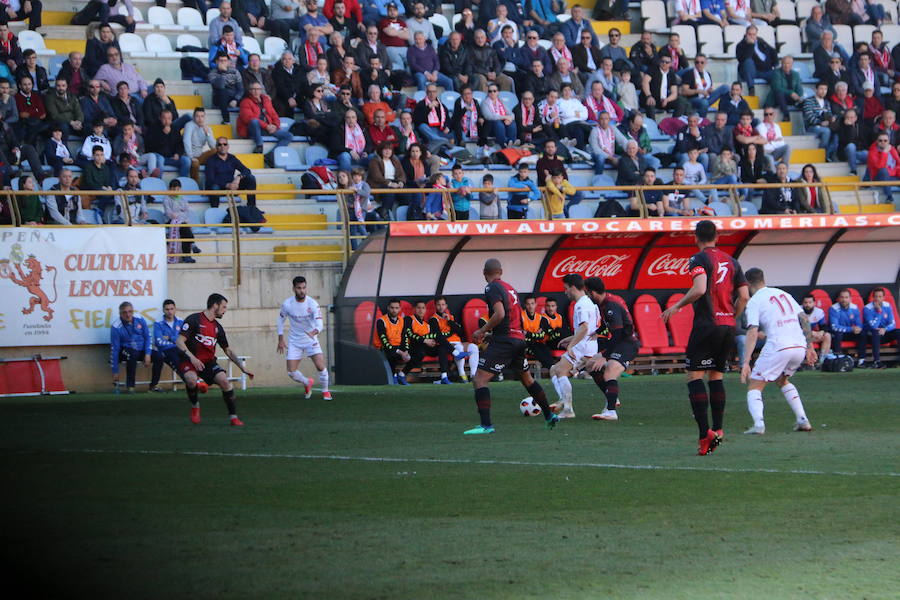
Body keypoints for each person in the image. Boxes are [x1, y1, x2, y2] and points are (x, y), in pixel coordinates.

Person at [661, 220, 749, 455]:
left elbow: (700, 289)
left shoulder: (697, 259)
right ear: (717, 237)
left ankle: (704, 436)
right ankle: (719, 430)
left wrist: (677, 306)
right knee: (716, 375)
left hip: (706, 325)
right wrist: (732, 315)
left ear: (695, 237)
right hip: (727, 325)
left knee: (694, 376)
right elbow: (744, 296)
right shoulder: (733, 262)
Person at [465, 258, 559, 434]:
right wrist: (494, 334)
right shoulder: (511, 288)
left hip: (506, 341)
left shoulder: (491, 287)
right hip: (518, 339)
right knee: (526, 379)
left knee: (479, 379)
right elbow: (511, 318)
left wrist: (482, 331)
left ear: (484, 273)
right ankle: (549, 415)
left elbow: (499, 314)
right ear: (500, 271)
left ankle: (486, 425)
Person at [739, 268, 816, 435]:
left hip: (779, 346)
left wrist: (746, 362)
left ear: (747, 284)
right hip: (799, 346)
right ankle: (803, 419)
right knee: (782, 380)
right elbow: (804, 318)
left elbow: (752, 331)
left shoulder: (754, 301)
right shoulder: (783, 294)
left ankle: (758, 425)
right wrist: (810, 346)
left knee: (755, 385)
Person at [177, 293, 255, 426]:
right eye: (223, 307)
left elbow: (228, 350)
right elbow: (179, 341)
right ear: (215, 305)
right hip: (190, 361)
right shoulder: (194, 320)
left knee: (225, 382)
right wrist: (193, 358)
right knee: (191, 380)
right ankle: (195, 406)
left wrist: (241, 366)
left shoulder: (218, 328)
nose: (225, 310)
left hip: (208, 363)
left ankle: (233, 417)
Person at [581, 277, 640, 422]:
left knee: (609, 370)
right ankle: (612, 396)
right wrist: (598, 331)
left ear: (593, 293)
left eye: (587, 293)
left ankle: (611, 411)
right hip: (618, 343)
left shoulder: (610, 306)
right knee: (591, 366)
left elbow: (618, 333)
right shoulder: (604, 303)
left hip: (627, 344)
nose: (587, 296)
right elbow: (609, 325)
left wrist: (605, 356)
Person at [545, 274, 598, 419]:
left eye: (566, 288)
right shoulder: (589, 302)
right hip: (589, 346)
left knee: (560, 370)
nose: (565, 292)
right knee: (554, 370)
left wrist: (570, 346)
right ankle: (564, 401)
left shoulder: (581, 305)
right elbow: (589, 329)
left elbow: (584, 328)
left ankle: (568, 409)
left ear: (573, 287)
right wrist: (569, 339)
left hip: (582, 348)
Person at [277, 276, 332, 400]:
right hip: (295, 341)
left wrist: (315, 331)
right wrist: (280, 338)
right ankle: (307, 382)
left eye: (304, 288)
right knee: (291, 372)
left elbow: (319, 323)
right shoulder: (287, 304)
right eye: (299, 288)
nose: (302, 291)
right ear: (293, 289)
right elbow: (280, 320)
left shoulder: (312, 304)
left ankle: (325, 391)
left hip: (310, 340)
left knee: (320, 366)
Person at [110, 301, 163, 393]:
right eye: (124, 312)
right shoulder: (116, 326)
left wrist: (147, 354)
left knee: (159, 356)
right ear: (120, 314)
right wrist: (115, 371)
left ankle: (153, 385)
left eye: (130, 311)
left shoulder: (140, 319)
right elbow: (115, 349)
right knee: (132, 354)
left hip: (142, 349)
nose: (128, 315)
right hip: (126, 350)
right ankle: (130, 386)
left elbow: (148, 337)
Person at [238, 82, 292, 154]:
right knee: (254, 121)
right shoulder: (245, 102)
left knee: (288, 136)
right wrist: (266, 126)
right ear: (250, 91)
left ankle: (271, 155)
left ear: (261, 90)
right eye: (253, 89)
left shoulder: (266, 100)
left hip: (268, 128)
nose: (256, 91)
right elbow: (248, 118)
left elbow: (274, 115)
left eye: (258, 89)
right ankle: (259, 146)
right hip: (254, 130)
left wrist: (275, 126)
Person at [205, 137, 257, 208]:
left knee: (251, 178)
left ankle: (252, 208)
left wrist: (238, 177)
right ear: (216, 147)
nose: (222, 146)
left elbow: (246, 170)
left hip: (233, 187)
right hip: (220, 189)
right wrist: (226, 185)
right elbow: (210, 180)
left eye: (225, 144)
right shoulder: (211, 160)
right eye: (219, 144)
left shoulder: (232, 158)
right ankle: (215, 211)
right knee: (214, 187)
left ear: (228, 146)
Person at [152, 299, 186, 392]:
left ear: (175, 309)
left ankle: (194, 381)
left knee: (188, 358)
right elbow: (159, 341)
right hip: (165, 350)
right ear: (163, 310)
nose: (170, 311)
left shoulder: (181, 321)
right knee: (175, 359)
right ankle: (190, 382)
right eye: (167, 309)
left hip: (179, 348)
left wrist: (169, 337)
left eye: (171, 309)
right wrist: (176, 340)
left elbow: (184, 338)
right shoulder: (158, 323)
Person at [146, 110, 192, 178]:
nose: (167, 121)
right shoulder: (153, 128)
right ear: (160, 118)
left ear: (172, 119)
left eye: (169, 118)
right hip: (158, 156)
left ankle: (182, 183)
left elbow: (180, 145)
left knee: (186, 160)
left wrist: (177, 154)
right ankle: (158, 184)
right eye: (164, 118)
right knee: (160, 159)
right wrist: (163, 135)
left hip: (171, 158)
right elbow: (150, 147)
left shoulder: (174, 128)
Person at [377, 298, 412, 384]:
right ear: (388, 308)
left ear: (400, 309)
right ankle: (393, 376)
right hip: (385, 348)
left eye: (396, 308)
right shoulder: (381, 321)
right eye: (392, 308)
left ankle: (402, 374)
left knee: (418, 353)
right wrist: (401, 352)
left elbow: (405, 337)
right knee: (391, 354)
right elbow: (385, 342)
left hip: (399, 348)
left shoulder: (402, 320)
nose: (394, 310)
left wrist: (406, 351)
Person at [735, 25, 778, 95]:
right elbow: (745, 59)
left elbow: (772, 51)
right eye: (749, 34)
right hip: (750, 73)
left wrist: (775, 65)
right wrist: (751, 45)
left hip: (765, 71)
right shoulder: (740, 45)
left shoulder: (760, 41)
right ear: (746, 34)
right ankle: (751, 89)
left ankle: (773, 99)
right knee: (748, 61)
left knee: (778, 74)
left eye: (754, 34)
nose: (752, 36)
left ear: (756, 34)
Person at [862, 287, 898, 369]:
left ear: (883, 297)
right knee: (875, 332)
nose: (877, 298)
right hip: (871, 336)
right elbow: (873, 326)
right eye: (876, 296)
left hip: (884, 333)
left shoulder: (888, 306)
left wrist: (885, 329)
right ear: (873, 297)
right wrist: (879, 312)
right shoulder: (867, 308)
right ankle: (877, 361)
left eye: (880, 296)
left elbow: (893, 324)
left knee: (898, 332)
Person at [209, 52, 244, 125]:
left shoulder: (235, 72)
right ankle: (226, 120)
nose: (223, 63)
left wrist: (236, 100)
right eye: (221, 61)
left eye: (225, 61)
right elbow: (220, 86)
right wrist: (223, 72)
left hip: (233, 97)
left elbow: (241, 89)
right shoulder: (212, 73)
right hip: (219, 98)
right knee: (222, 91)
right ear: (216, 62)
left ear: (228, 62)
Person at [866, 132, 900, 205]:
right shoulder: (872, 152)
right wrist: (884, 153)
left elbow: (897, 165)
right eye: (880, 140)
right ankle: (889, 197)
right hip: (878, 178)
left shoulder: (892, 149)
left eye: (885, 140)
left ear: (889, 141)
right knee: (883, 171)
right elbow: (880, 167)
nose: (883, 142)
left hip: (892, 177)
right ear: (877, 141)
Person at [801, 294, 833, 364]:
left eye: (810, 302)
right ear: (802, 304)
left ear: (814, 303)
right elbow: (796, 328)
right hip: (801, 337)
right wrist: (810, 332)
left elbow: (824, 326)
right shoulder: (798, 312)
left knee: (827, 335)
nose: (808, 305)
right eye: (806, 303)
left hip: (812, 335)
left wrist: (821, 332)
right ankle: (811, 360)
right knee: (808, 338)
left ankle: (823, 360)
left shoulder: (819, 312)